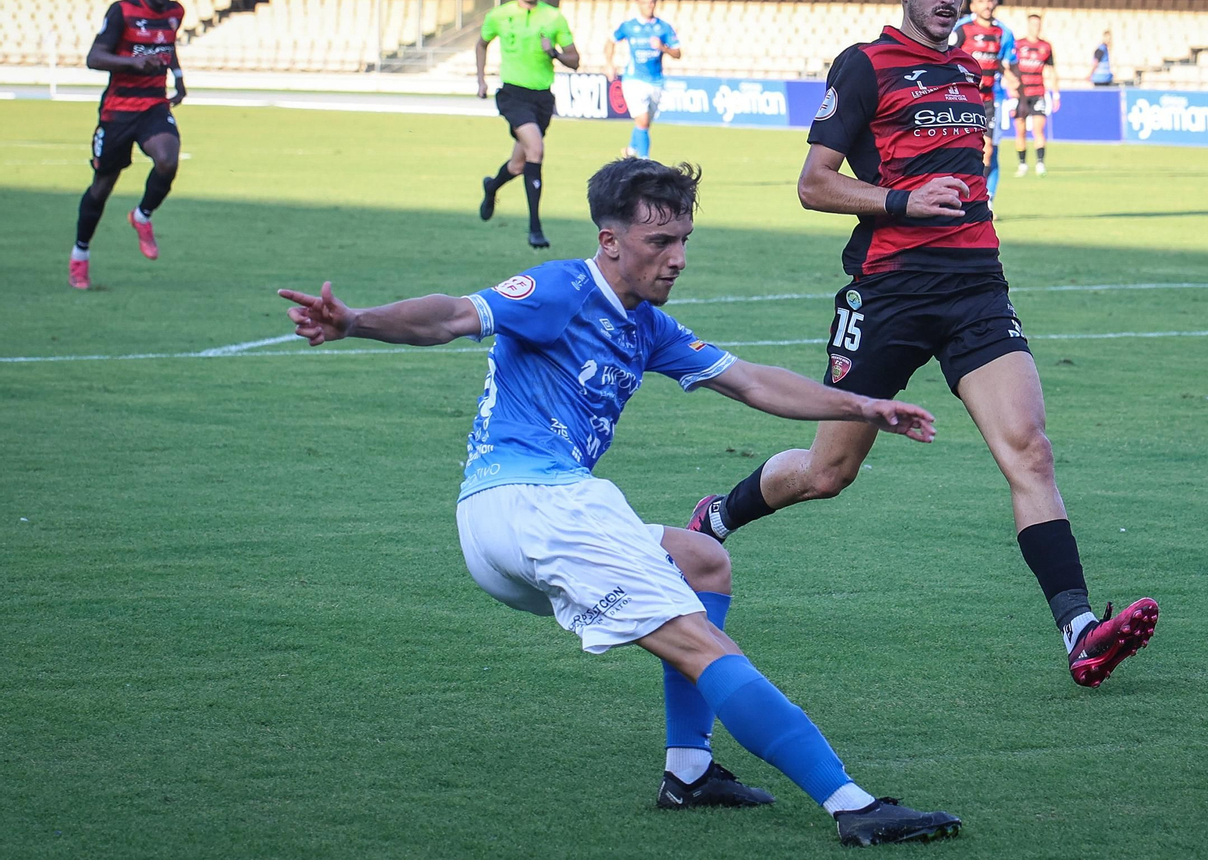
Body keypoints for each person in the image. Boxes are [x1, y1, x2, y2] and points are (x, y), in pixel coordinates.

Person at [277, 158, 961, 848]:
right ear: (610, 241)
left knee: (701, 561)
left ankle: (689, 771)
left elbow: (752, 382)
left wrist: (862, 404)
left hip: (510, 519)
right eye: (659, 242)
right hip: (537, 505)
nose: (678, 259)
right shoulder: (560, 288)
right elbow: (453, 315)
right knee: (701, 641)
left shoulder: (647, 326)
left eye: (684, 239)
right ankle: (851, 803)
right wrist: (357, 319)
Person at [684, 0, 1159, 690]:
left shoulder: (972, 70)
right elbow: (813, 184)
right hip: (889, 293)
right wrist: (904, 203)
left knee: (1029, 451)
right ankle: (716, 518)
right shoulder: (865, 65)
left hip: (975, 289)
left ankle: (1080, 632)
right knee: (827, 471)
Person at [69, 0, 186, 290]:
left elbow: (167, 45)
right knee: (101, 188)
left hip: (153, 105)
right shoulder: (122, 12)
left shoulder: (176, 12)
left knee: (168, 159)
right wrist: (132, 62)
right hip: (117, 112)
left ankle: (142, 216)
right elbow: (94, 57)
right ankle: (80, 256)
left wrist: (178, 78)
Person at [475, 0, 578, 250]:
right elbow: (481, 44)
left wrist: (553, 53)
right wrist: (481, 80)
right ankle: (535, 227)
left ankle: (492, 186)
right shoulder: (499, 15)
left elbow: (575, 60)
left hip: (542, 98)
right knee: (536, 149)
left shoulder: (554, 17)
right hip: (512, 94)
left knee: (519, 164)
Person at [950, 0, 1015, 206]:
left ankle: (985, 199)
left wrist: (1019, 92)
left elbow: (1007, 65)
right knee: (957, 151)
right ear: (972, 4)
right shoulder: (960, 29)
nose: (987, 5)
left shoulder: (1004, 33)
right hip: (960, 100)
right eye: (981, 1)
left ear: (996, 2)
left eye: (990, 0)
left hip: (989, 100)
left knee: (988, 152)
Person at [604, 0, 681, 160]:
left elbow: (678, 53)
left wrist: (662, 47)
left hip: (656, 81)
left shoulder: (663, 28)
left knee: (644, 124)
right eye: (644, 2)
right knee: (643, 121)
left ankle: (630, 151)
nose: (648, 5)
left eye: (651, 2)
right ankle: (645, 161)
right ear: (638, 4)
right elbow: (610, 41)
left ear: (656, 3)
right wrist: (609, 63)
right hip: (634, 80)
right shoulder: (629, 26)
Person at [1011, 13, 1056, 177]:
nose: (1035, 28)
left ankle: (1040, 163)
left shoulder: (1046, 46)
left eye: (1038, 25)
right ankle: (1022, 164)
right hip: (1020, 95)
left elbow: (1051, 71)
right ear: (1028, 26)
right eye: (1033, 25)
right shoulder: (1018, 45)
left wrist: (1055, 93)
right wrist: (1011, 88)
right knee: (1020, 130)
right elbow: (1011, 67)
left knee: (1038, 130)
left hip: (1038, 93)